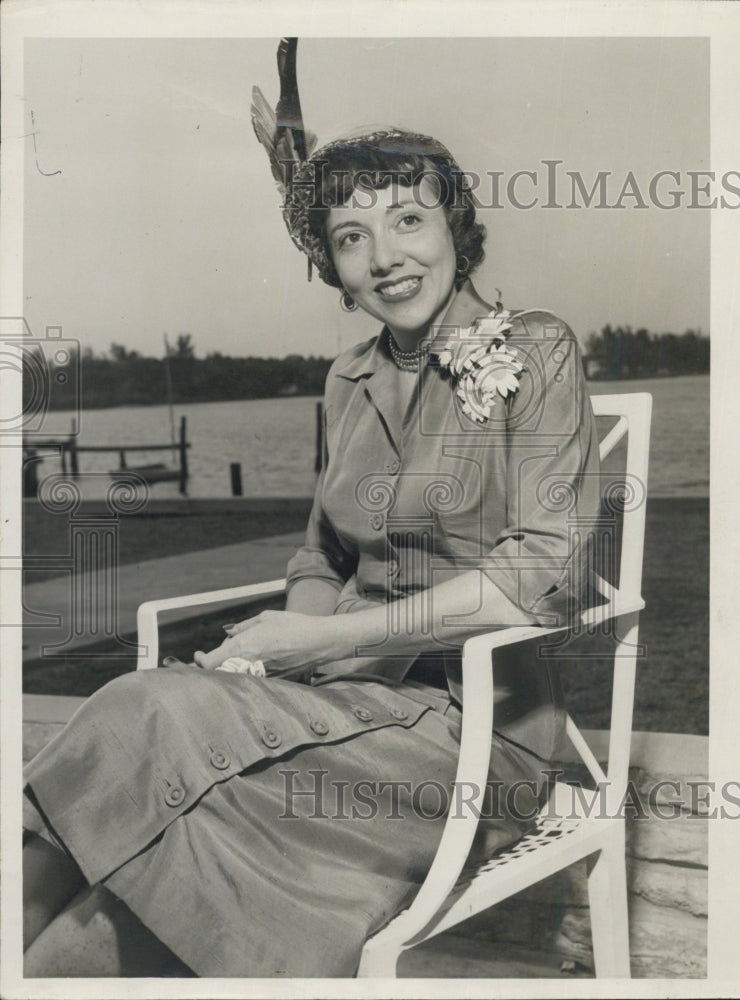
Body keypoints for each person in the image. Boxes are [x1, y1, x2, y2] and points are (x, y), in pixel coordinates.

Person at [22, 42, 600, 979]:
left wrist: (315, 646)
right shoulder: (349, 377)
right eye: (350, 238)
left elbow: (539, 579)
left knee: (148, 737)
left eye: (408, 220)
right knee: (136, 740)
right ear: (331, 264)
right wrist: (273, 655)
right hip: (342, 704)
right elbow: (323, 554)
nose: (385, 257)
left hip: (473, 739)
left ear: (456, 225)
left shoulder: (536, 351)